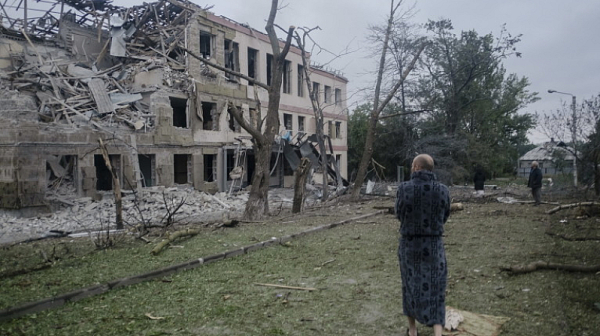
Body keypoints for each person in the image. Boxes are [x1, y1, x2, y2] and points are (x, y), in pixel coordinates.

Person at [395, 154, 450, 336]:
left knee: (410, 285)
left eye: (412, 165)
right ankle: (437, 332)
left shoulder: (404, 189)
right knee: (436, 287)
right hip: (433, 244)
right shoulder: (442, 190)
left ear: (417, 167)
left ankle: (412, 331)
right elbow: (445, 215)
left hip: (410, 245)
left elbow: (399, 214)